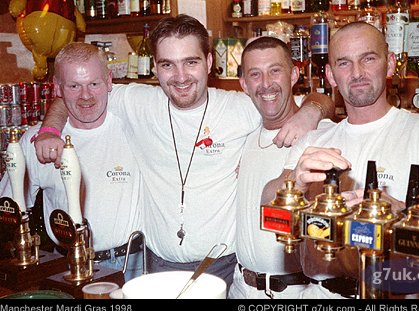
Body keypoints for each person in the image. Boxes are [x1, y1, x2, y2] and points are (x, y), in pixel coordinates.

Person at [32, 14, 334, 288]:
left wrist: (311, 112)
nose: (180, 76)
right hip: (155, 266)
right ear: (154, 67)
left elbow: (310, 100)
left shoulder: (241, 107)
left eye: (190, 62)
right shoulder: (137, 102)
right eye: (167, 64)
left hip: (223, 266)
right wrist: (49, 130)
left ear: (208, 61)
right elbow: (75, 92)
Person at [263, 22, 419, 298]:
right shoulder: (315, 139)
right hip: (320, 294)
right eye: (344, 63)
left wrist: (397, 212)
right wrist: (295, 182)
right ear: (330, 75)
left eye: (368, 59)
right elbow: (267, 202)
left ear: (389, 64)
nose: (357, 73)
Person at [0, 42, 145, 281]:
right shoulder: (35, 141)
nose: (85, 96)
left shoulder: (135, 126)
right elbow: (10, 211)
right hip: (64, 266)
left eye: (94, 84)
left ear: (109, 81)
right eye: (74, 85)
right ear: (57, 87)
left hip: (132, 264)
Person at [228, 36, 334, 299]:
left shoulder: (321, 136)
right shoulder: (243, 136)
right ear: (243, 84)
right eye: (255, 74)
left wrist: (314, 109)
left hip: (296, 291)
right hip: (240, 286)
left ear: (294, 74)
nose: (266, 84)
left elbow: (324, 102)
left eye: (275, 70)